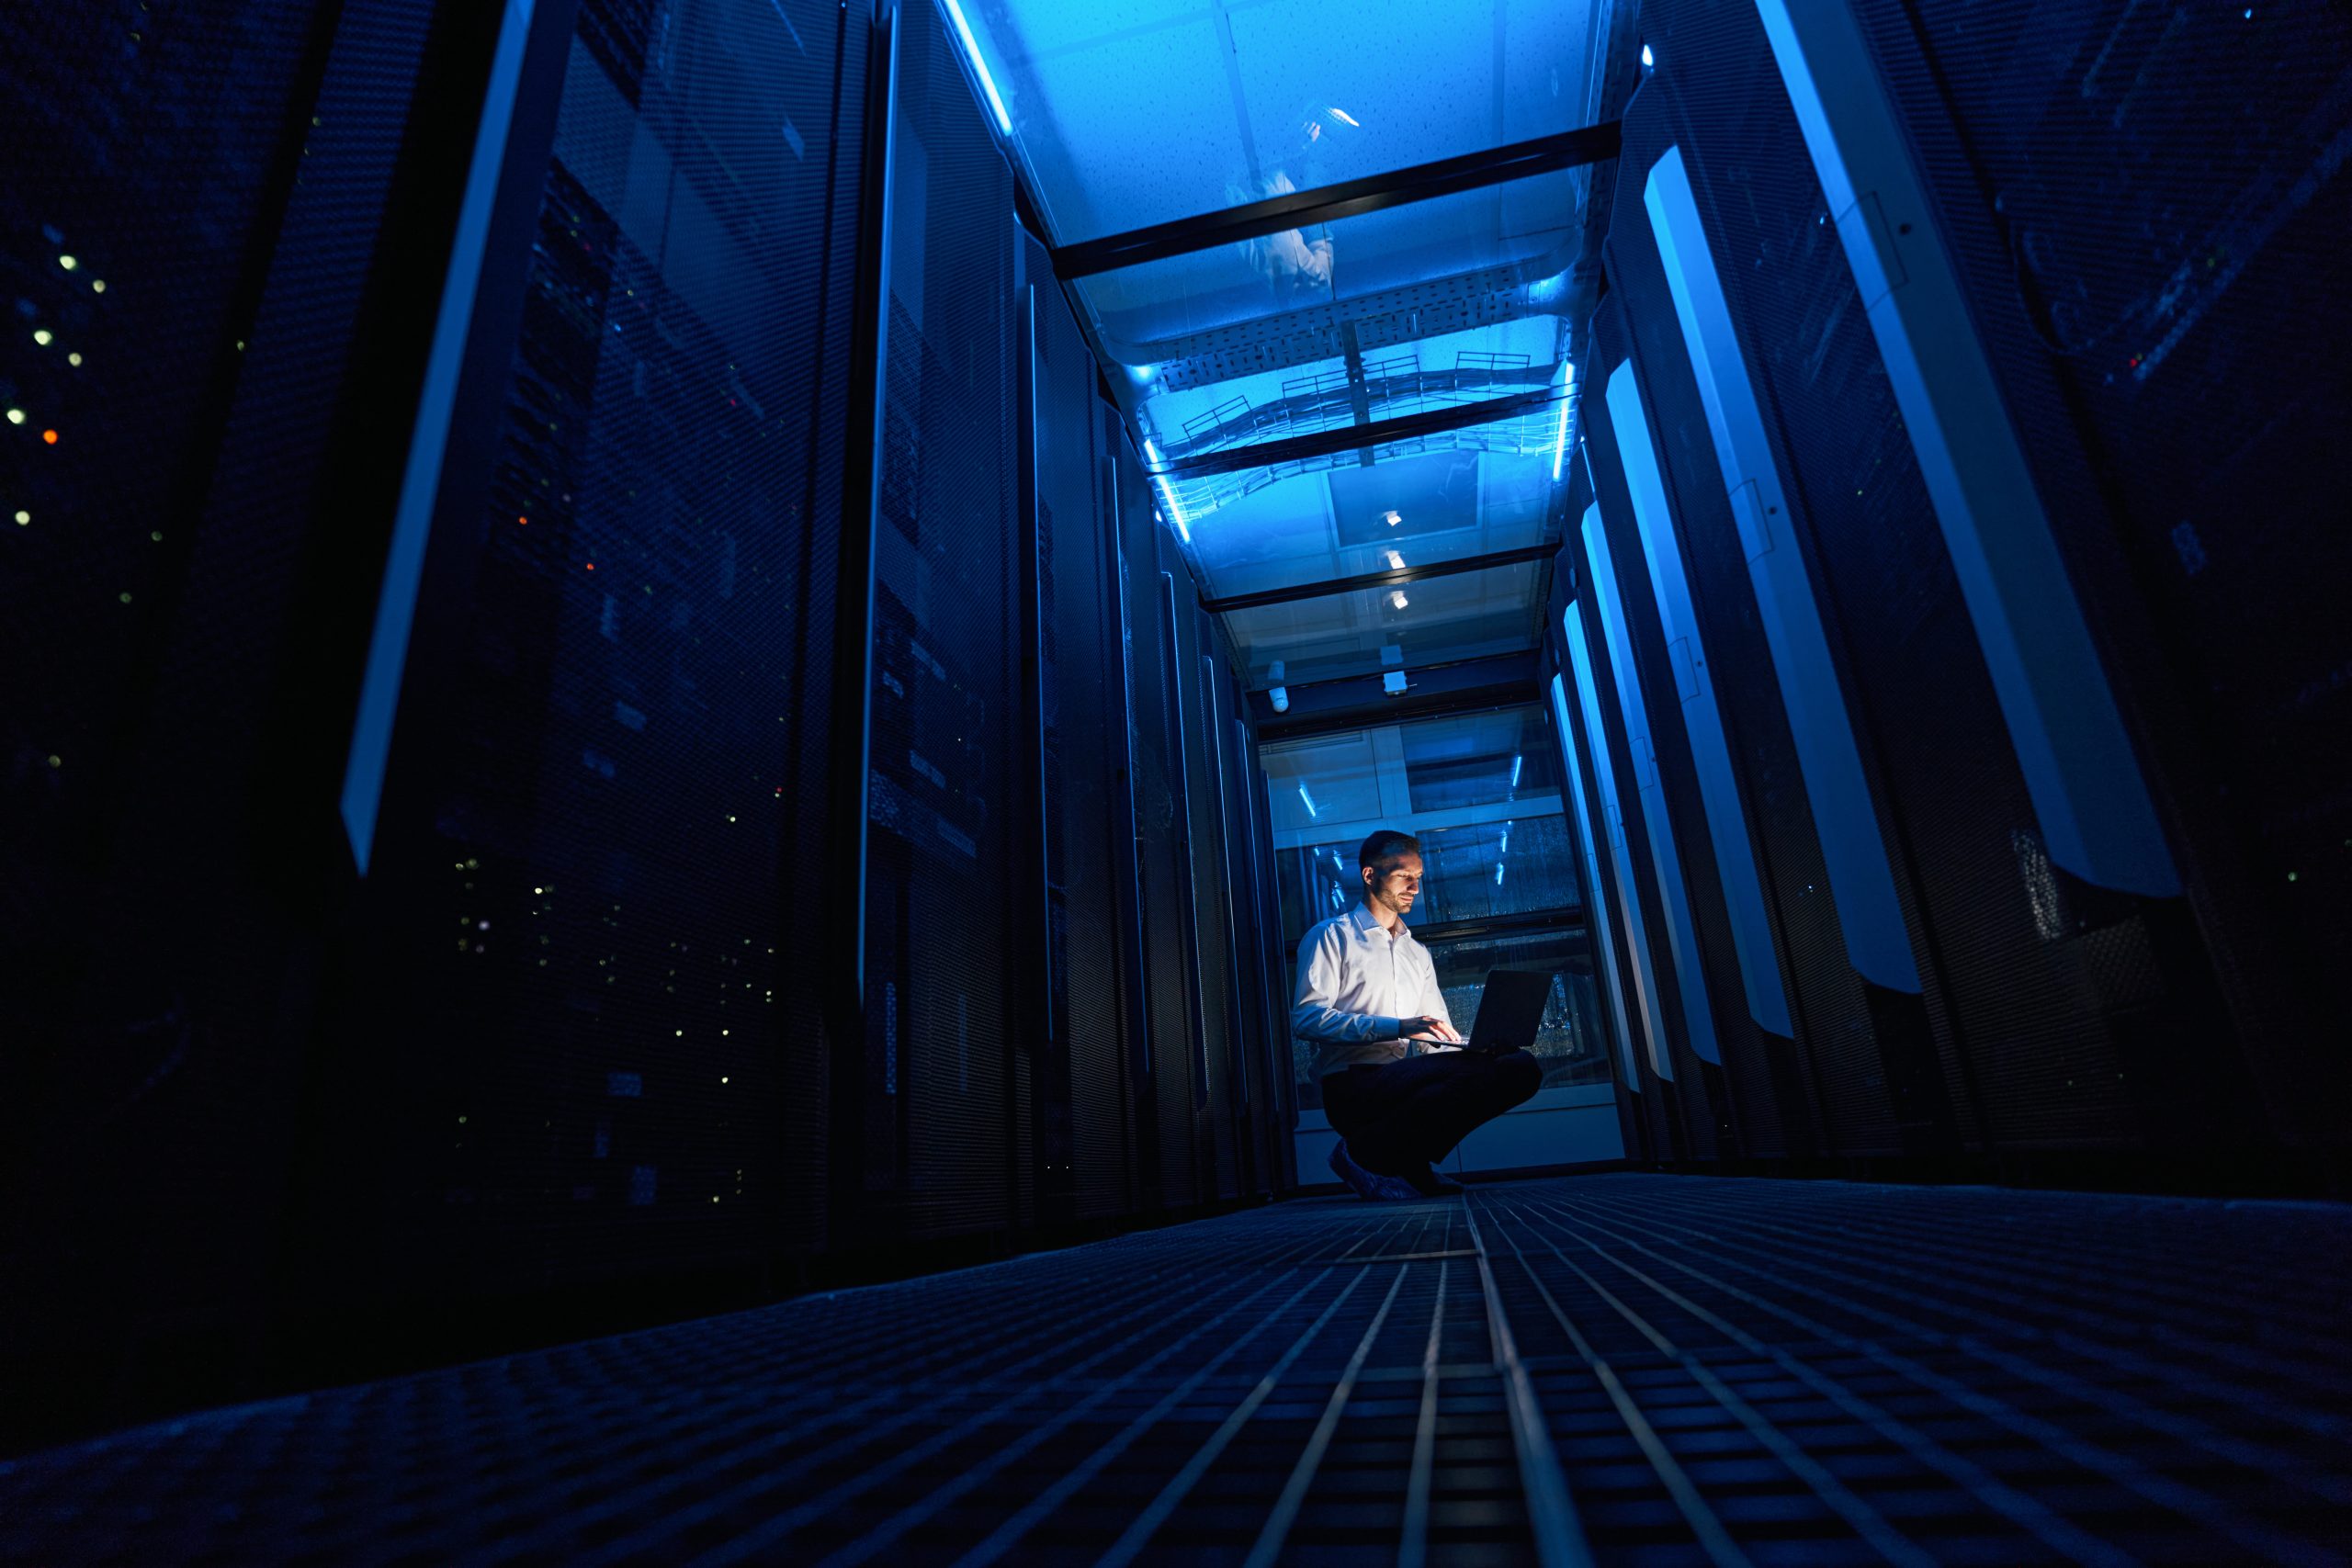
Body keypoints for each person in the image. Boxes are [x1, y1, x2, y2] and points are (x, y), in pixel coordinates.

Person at [1292, 829, 1543, 1199]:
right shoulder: (1332, 936)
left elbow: (1435, 1044)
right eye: (1404, 876)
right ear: (1369, 875)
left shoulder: (1417, 954)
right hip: (1351, 1087)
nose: (1414, 887)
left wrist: (1479, 1048)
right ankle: (1362, 1154)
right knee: (1475, 1073)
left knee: (1519, 1067)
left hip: (1401, 1079)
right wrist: (1399, 1027)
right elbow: (1307, 1020)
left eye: (1418, 878)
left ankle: (1405, 1159)